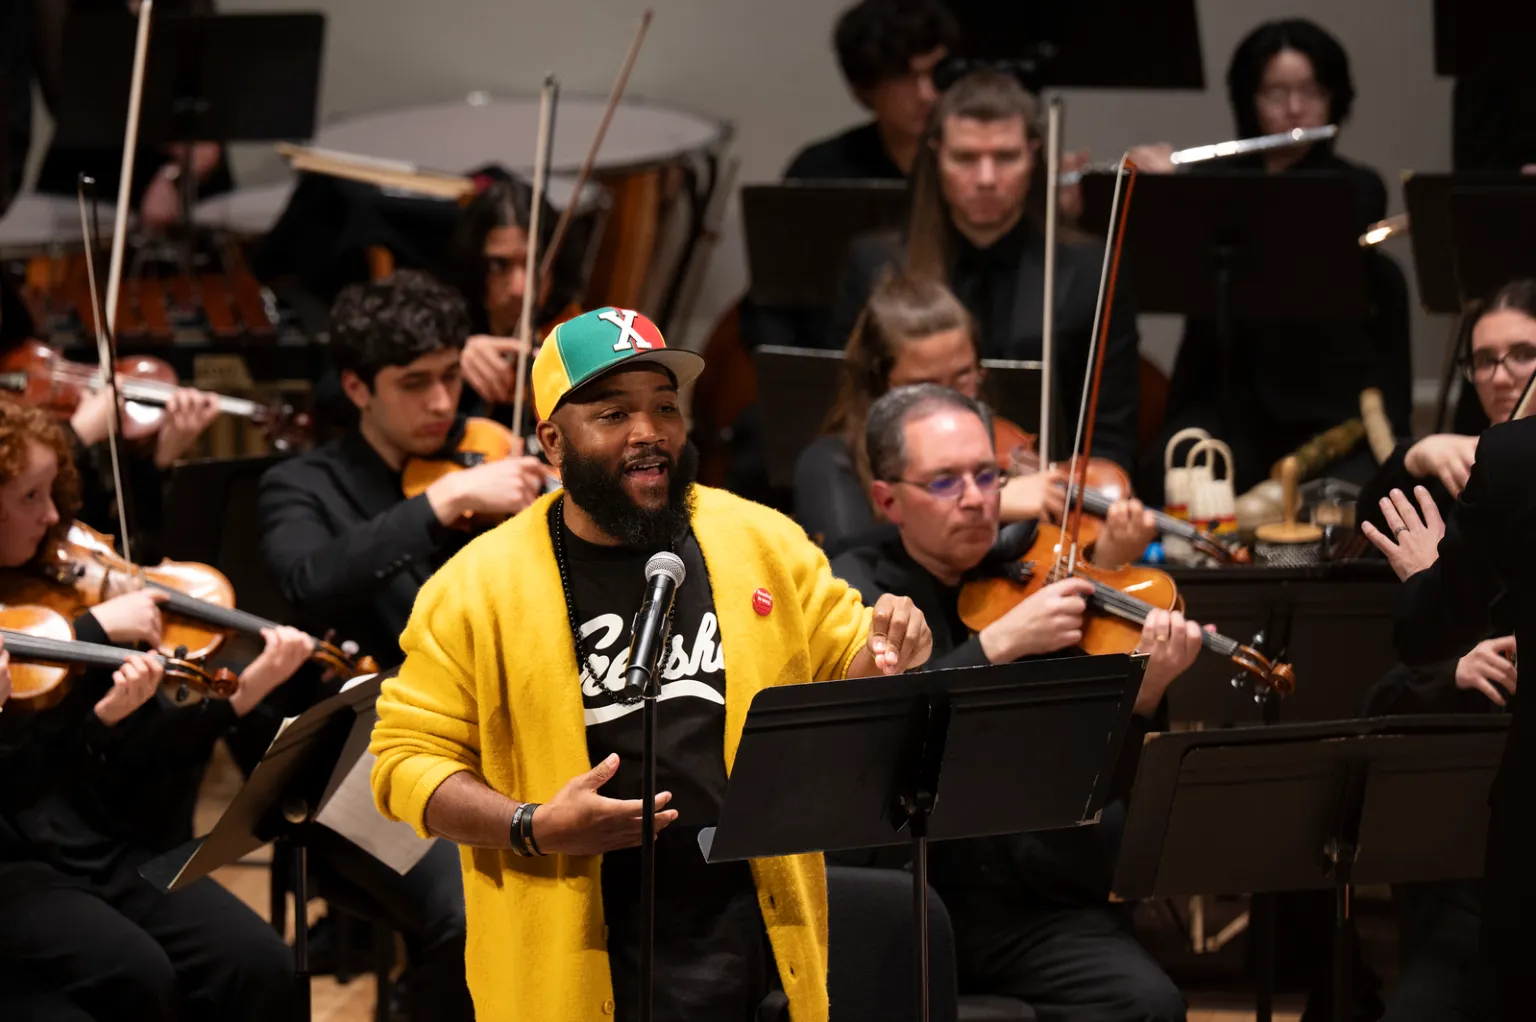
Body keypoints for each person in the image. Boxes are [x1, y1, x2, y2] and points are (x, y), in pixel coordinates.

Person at [370, 306, 934, 1021]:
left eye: (664, 407)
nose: (649, 433)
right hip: (579, 957)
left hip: (752, 944)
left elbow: (847, 660)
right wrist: (533, 825)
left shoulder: (759, 540)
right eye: (613, 414)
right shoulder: (475, 587)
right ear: (552, 440)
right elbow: (403, 763)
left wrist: (889, 652)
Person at [830, 384, 1193, 1022]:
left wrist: (1145, 698)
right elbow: (881, 745)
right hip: (913, 895)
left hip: (1030, 904)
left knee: (1149, 1004)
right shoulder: (854, 588)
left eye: (986, 475)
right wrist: (995, 646)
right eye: (944, 482)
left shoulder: (1042, 571)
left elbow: (1096, 786)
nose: (976, 500)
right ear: (888, 499)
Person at [0, 396, 300, 1022]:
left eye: (52, 492)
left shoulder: (51, 581)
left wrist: (235, 694)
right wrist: (88, 631)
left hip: (97, 844)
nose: (53, 515)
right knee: (138, 976)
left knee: (260, 963)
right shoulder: (61, 624)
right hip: (20, 864)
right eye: (30, 497)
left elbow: (135, 755)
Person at [1351, 284, 1536, 1022]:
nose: (1500, 376)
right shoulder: (1477, 464)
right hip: (1458, 830)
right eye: (1483, 360)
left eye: (1523, 355)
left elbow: (1422, 620)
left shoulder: (1511, 466)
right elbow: (1374, 525)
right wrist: (1414, 452)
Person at [1134, 18, 1412, 503]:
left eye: (1310, 91)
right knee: (1164, 470)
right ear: (1249, 100)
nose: (1294, 109)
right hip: (1233, 401)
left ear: (1335, 97)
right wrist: (1155, 187)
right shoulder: (1214, 182)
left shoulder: (1355, 185)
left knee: (1358, 495)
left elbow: (1307, 207)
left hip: (1330, 408)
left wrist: (1186, 188)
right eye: (1275, 93)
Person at [827, 69, 1140, 472]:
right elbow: (853, 412)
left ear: (1033, 156)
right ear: (936, 154)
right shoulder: (876, 264)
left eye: (1006, 157)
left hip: (1050, 506)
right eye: (965, 158)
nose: (987, 179)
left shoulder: (1090, 270)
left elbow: (1110, 436)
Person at [259, 270, 549, 665]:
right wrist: (444, 497)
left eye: (450, 375)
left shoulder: (488, 446)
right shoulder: (301, 485)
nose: (443, 404)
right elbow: (306, 585)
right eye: (415, 383)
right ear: (357, 388)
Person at [796, 269, 1064, 551]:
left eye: (963, 376)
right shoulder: (829, 463)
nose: (949, 399)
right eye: (925, 384)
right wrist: (989, 506)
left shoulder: (996, 444)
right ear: (879, 383)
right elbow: (841, 560)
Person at [31, 0, 234, 233]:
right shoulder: (60, 7)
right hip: (96, 161)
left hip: (185, 157)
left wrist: (177, 171)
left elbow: (210, 84)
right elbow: (64, 96)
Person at [447, 174, 585, 426]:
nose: (520, 289)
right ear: (473, 265)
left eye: (535, 264)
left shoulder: (577, 338)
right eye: (499, 265)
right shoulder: (446, 330)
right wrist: (451, 361)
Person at [784, 0, 957, 181]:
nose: (927, 95)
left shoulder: (983, 159)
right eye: (903, 78)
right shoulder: (819, 172)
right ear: (864, 87)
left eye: (937, 72)